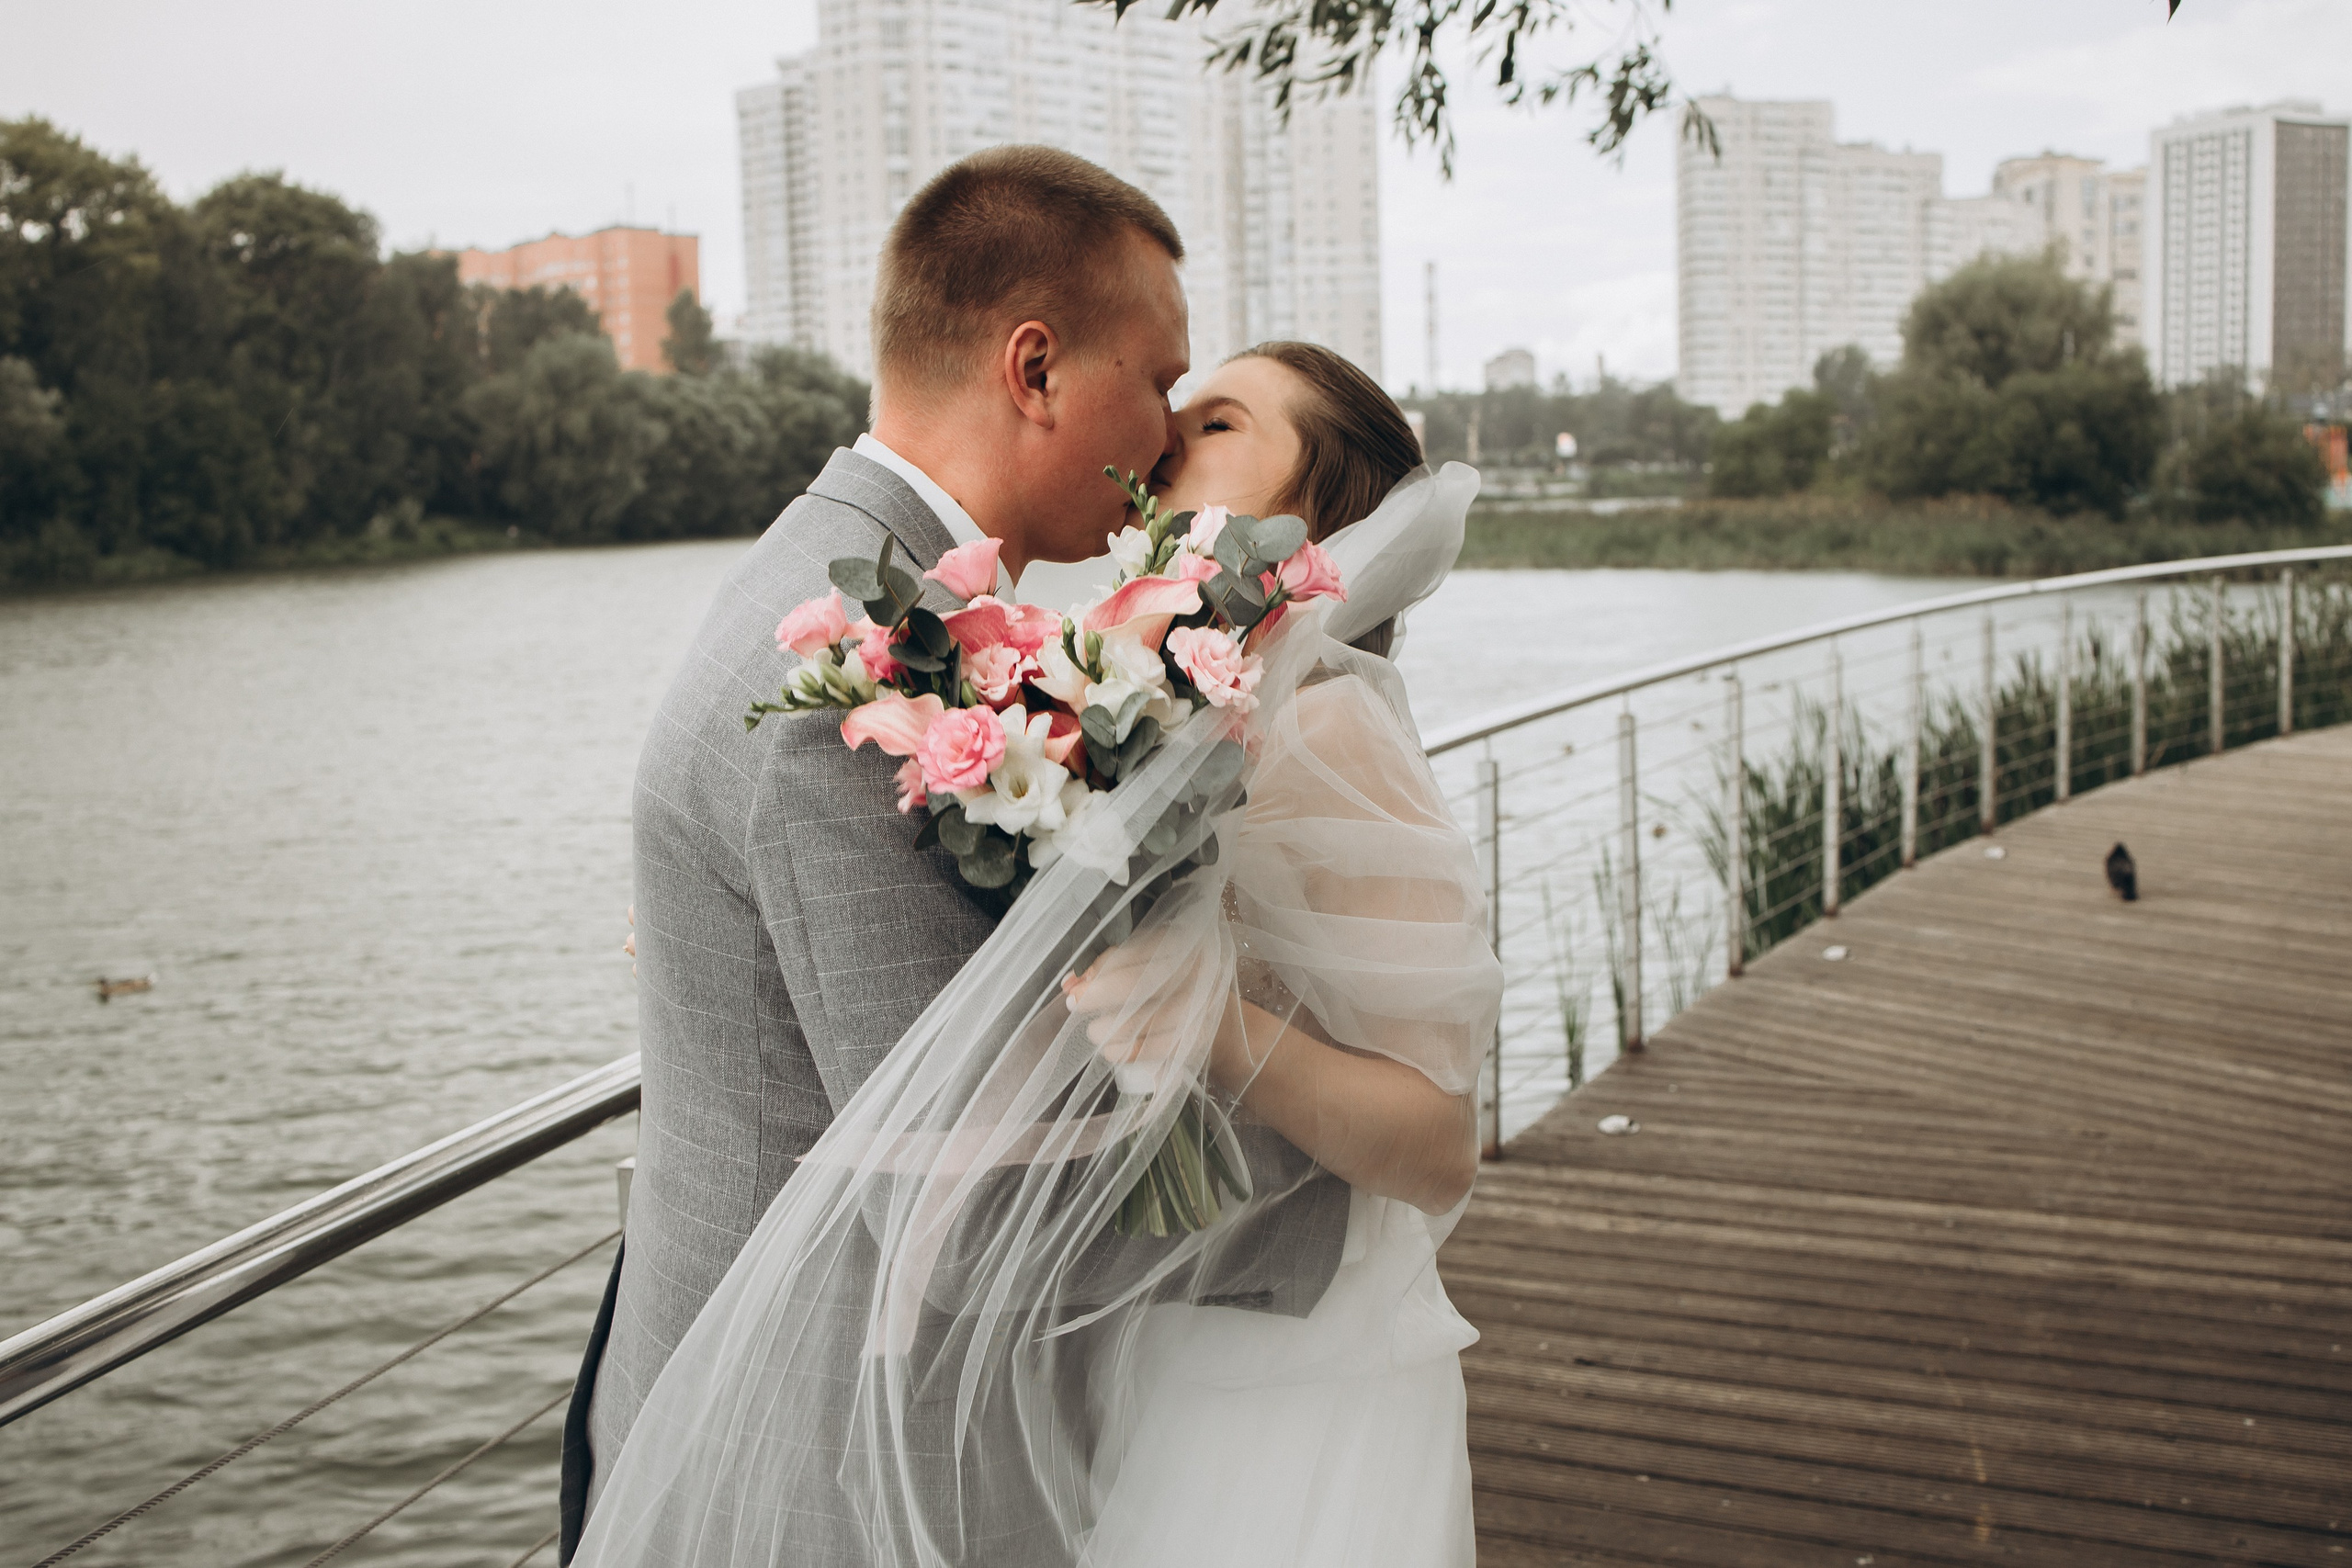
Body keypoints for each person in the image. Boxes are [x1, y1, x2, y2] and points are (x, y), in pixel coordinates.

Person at [557, 147, 1358, 1565]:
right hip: (800, 1471)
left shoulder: (851, 586)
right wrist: (1337, 1191)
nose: (1167, 430)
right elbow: (976, 1211)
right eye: (1157, 378)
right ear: (1035, 369)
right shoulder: (854, 683)